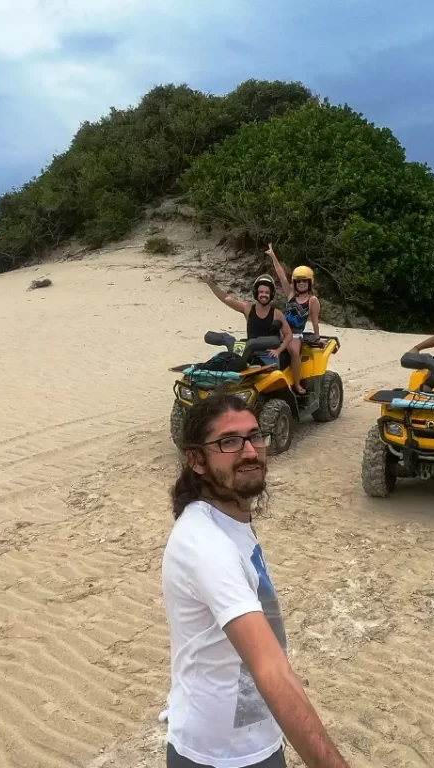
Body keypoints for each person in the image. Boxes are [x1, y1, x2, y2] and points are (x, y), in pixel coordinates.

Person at [162, 394, 351, 768]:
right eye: (228, 442)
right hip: (218, 757)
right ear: (197, 460)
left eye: (254, 437)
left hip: (255, 737)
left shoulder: (228, 518)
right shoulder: (207, 545)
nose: (250, 452)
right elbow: (270, 669)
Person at [199, 272, 293, 369]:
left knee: (251, 347)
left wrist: (279, 350)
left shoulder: (277, 314)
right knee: (231, 342)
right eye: (261, 292)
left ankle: (241, 365)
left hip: (267, 354)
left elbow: (289, 335)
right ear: (256, 293)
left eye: (267, 292)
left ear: (271, 294)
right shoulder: (247, 308)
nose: (264, 295)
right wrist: (210, 283)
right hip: (248, 350)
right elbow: (226, 298)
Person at [265, 244, 321, 396]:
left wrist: (317, 337)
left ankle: (296, 383)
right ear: (295, 283)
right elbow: (281, 275)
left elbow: (315, 320)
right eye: (298, 281)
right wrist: (273, 256)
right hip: (281, 330)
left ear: (309, 283)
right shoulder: (290, 294)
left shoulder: (312, 299)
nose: (301, 284)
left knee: (294, 352)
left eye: (304, 281)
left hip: (295, 334)